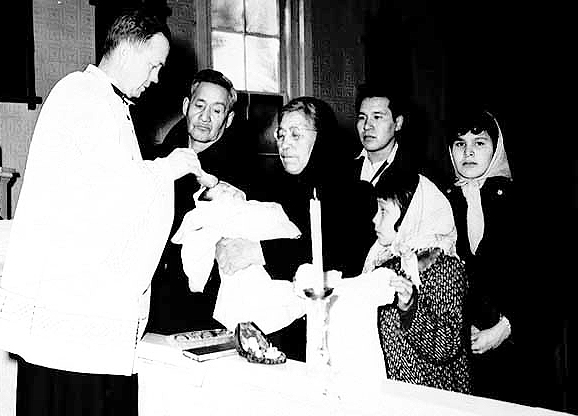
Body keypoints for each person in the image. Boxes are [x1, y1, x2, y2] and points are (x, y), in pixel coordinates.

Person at [0, 9, 211, 415]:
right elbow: (111, 193)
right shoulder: (83, 96)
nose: (155, 78)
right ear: (129, 51)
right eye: (154, 65)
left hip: (80, 304)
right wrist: (170, 166)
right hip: (73, 303)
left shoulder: (105, 102)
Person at [217, 96, 376, 361]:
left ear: (321, 138)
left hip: (327, 338)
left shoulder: (355, 193)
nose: (285, 144)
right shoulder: (272, 190)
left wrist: (260, 251)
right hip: (265, 334)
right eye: (281, 135)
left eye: (296, 135)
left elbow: (339, 253)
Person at [293, 171, 471, 393]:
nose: (374, 218)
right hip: (390, 392)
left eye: (384, 211)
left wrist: (410, 307)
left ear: (410, 216)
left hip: (431, 397)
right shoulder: (382, 261)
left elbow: (446, 347)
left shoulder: (445, 269)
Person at [146, 68, 248, 335]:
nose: (205, 118)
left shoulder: (242, 175)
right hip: (150, 296)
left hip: (204, 308)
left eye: (217, 110)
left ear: (229, 118)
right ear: (185, 106)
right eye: (200, 105)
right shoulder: (157, 160)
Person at [445, 109, 529, 404]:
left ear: (496, 149)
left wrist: (504, 328)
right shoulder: (442, 201)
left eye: (479, 143)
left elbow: (546, 279)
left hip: (517, 350)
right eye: (460, 144)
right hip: (459, 352)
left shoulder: (523, 201)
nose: (468, 152)